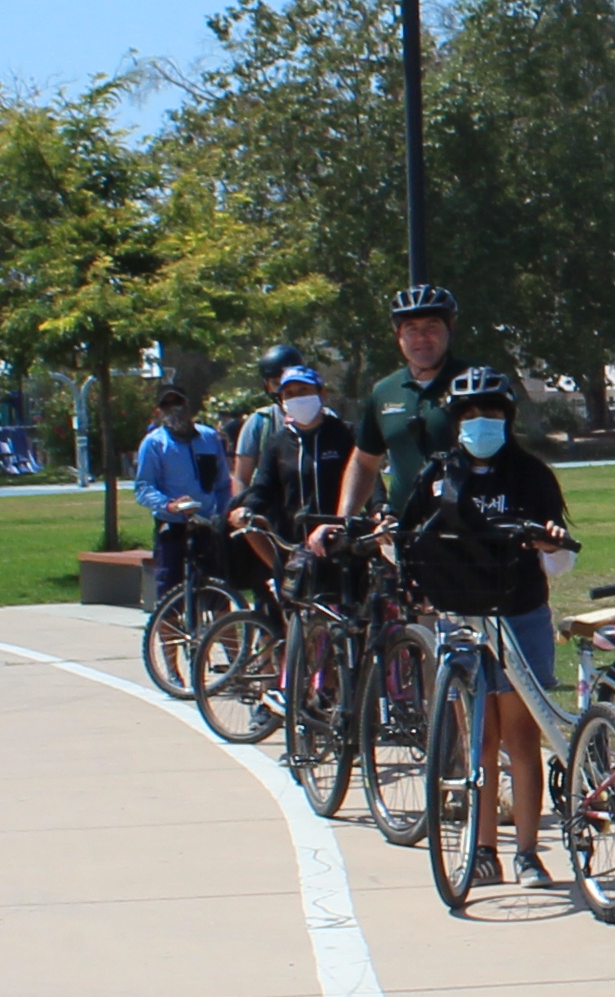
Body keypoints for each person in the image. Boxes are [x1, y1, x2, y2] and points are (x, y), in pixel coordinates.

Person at [390, 360, 578, 884]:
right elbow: (405, 535)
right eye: (469, 414)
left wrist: (546, 541)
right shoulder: (438, 474)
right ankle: (483, 848)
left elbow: (561, 555)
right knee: (480, 737)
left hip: (518, 611)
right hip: (460, 613)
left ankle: (525, 850)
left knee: (520, 736)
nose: (479, 423)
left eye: (490, 413)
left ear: (508, 417)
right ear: (455, 420)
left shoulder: (530, 475)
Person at [228, 358, 361, 609]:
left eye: (304, 391)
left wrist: (376, 507)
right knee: (296, 623)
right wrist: (247, 509)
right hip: (294, 544)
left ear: (321, 393)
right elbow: (263, 487)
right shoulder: (278, 443)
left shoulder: (345, 433)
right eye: (288, 394)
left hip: (339, 543)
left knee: (344, 620)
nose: (296, 398)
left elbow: (367, 477)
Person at [334, 282, 462, 531]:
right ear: (398, 336)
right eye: (411, 329)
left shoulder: (475, 381)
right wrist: (342, 520)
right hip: (404, 532)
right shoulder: (385, 391)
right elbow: (363, 462)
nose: (421, 338)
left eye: (431, 327)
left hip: (466, 530)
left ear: (450, 329)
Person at [132, 382, 231, 605]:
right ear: (158, 412)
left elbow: (223, 484)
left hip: (206, 524)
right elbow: (143, 487)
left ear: (188, 405)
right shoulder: (154, 443)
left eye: (177, 402)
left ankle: (229, 637)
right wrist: (169, 505)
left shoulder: (209, 438)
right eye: (166, 405)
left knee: (219, 594)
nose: (173, 409)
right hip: (172, 525)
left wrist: (223, 514)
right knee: (169, 596)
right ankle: (172, 638)